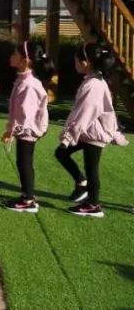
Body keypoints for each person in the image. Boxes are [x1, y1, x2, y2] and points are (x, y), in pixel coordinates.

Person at [55, 43, 128, 217]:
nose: (75, 63)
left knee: (91, 168)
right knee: (62, 154)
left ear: (85, 62)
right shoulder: (92, 81)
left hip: (95, 134)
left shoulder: (93, 85)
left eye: (76, 60)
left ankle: (93, 205)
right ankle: (82, 184)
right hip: (89, 132)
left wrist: (68, 136)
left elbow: (83, 114)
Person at [2, 42, 51, 213]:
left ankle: (28, 199)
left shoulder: (29, 84)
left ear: (25, 60)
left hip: (28, 130)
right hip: (25, 130)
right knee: (23, 162)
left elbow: (25, 114)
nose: (11, 56)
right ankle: (27, 196)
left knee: (24, 163)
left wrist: (13, 131)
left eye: (15, 53)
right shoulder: (24, 79)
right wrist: (12, 130)